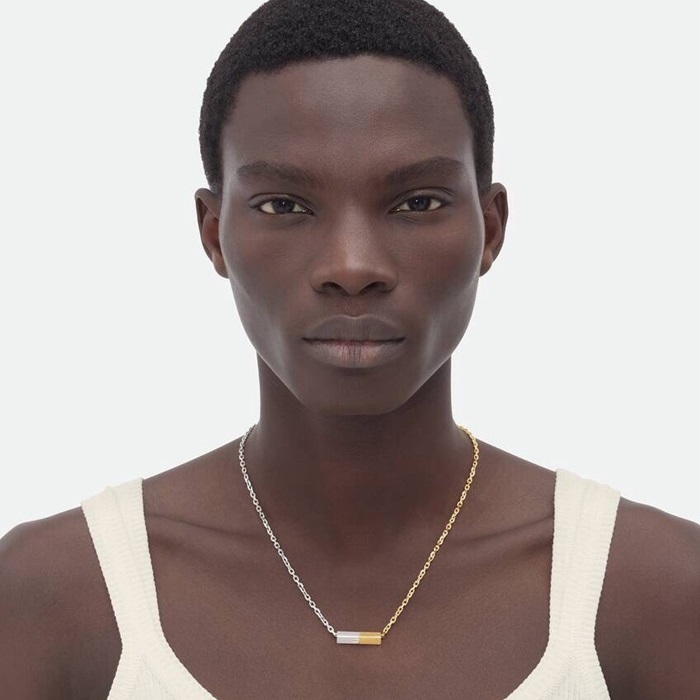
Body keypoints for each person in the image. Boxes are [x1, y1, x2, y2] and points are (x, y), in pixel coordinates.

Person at [1, 0, 698, 697]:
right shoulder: (57, 596)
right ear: (214, 234)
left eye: (417, 202)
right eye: (283, 205)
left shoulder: (651, 592)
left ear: (490, 229)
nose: (353, 266)